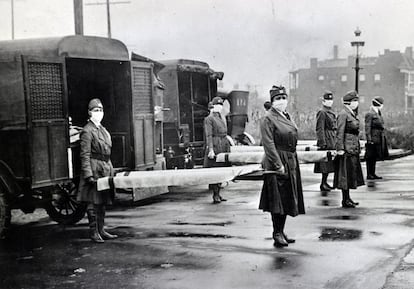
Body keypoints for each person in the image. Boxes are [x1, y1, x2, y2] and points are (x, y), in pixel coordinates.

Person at [259, 85, 305, 247]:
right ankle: (276, 232)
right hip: (276, 161)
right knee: (276, 200)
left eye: (283, 98)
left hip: (290, 159)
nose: (281, 101)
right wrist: (278, 164)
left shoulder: (286, 116)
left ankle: (282, 230)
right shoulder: (268, 118)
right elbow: (268, 143)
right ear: (272, 101)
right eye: (278, 99)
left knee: (286, 198)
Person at [77, 98, 118, 243]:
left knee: (103, 200)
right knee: (93, 202)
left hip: (105, 168)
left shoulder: (103, 130)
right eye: (95, 110)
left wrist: (111, 170)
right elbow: (85, 155)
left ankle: (101, 229)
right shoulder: (87, 131)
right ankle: (93, 232)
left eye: (100, 110)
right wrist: (88, 174)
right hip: (94, 168)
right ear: (89, 112)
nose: (99, 112)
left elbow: (107, 151)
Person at [333, 91, 365, 208]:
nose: (356, 103)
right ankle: (345, 199)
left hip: (352, 148)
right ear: (349, 102)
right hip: (346, 149)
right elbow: (339, 132)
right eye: (354, 101)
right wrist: (340, 148)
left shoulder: (351, 113)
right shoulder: (343, 114)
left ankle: (348, 198)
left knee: (349, 174)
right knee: (345, 175)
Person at [203, 96, 231, 204]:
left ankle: (218, 193)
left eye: (221, 105)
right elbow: (209, 135)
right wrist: (210, 149)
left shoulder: (221, 117)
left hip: (223, 144)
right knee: (215, 169)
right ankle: (215, 194)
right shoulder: (209, 119)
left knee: (222, 169)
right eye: (217, 105)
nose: (219, 107)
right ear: (213, 106)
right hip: (215, 145)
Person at [314, 91, 337, 191]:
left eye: (331, 100)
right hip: (326, 139)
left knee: (329, 163)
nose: (330, 102)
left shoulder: (330, 112)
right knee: (325, 164)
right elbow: (320, 128)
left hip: (332, 138)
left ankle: (325, 182)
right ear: (323, 101)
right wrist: (322, 142)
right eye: (327, 100)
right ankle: (323, 183)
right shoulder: (322, 112)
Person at [365, 97, 389, 179]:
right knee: (370, 156)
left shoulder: (378, 112)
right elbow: (367, 127)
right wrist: (369, 139)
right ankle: (369, 174)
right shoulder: (370, 114)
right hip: (373, 137)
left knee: (374, 156)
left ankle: (373, 173)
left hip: (378, 137)